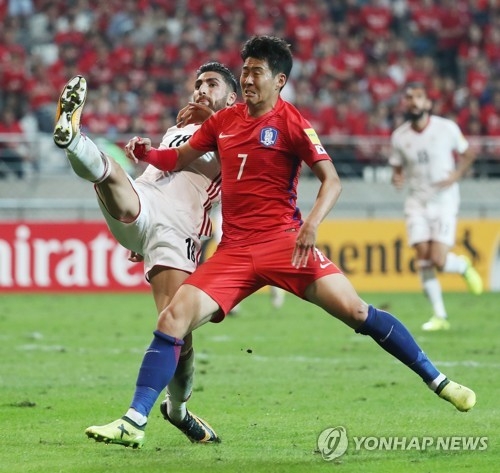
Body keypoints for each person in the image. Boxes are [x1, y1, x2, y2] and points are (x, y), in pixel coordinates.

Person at [87, 36, 476, 449]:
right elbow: (177, 160)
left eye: (256, 72)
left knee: (358, 312)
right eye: (245, 71)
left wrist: (312, 224)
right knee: (171, 321)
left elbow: (332, 180)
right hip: (235, 253)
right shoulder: (224, 121)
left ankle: (439, 380)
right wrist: (148, 153)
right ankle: (134, 420)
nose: (248, 79)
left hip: (286, 245)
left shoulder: (291, 122)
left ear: (279, 80)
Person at [52, 61, 238, 447]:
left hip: (179, 232)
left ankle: (178, 410)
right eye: (199, 84)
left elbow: (232, 168)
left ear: (233, 98)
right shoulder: (180, 127)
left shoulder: (238, 128)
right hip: (144, 204)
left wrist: (208, 117)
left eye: (213, 84)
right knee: (112, 174)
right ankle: (73, 139)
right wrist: (147, 150)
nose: (201, 89)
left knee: (177, 332)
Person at [389, 82, 483, 332]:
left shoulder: (446, 128)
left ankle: (461, 265)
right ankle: (439, 315)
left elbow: (468, 153)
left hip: (443, 201)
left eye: (418, 97)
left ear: (427, 103)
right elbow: (397, 168)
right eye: (409, 98)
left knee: (438, 260)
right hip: (416, 202)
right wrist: (397, 177)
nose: (413, 102)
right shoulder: (400, 136)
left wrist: (456, 175)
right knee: (423, 257)